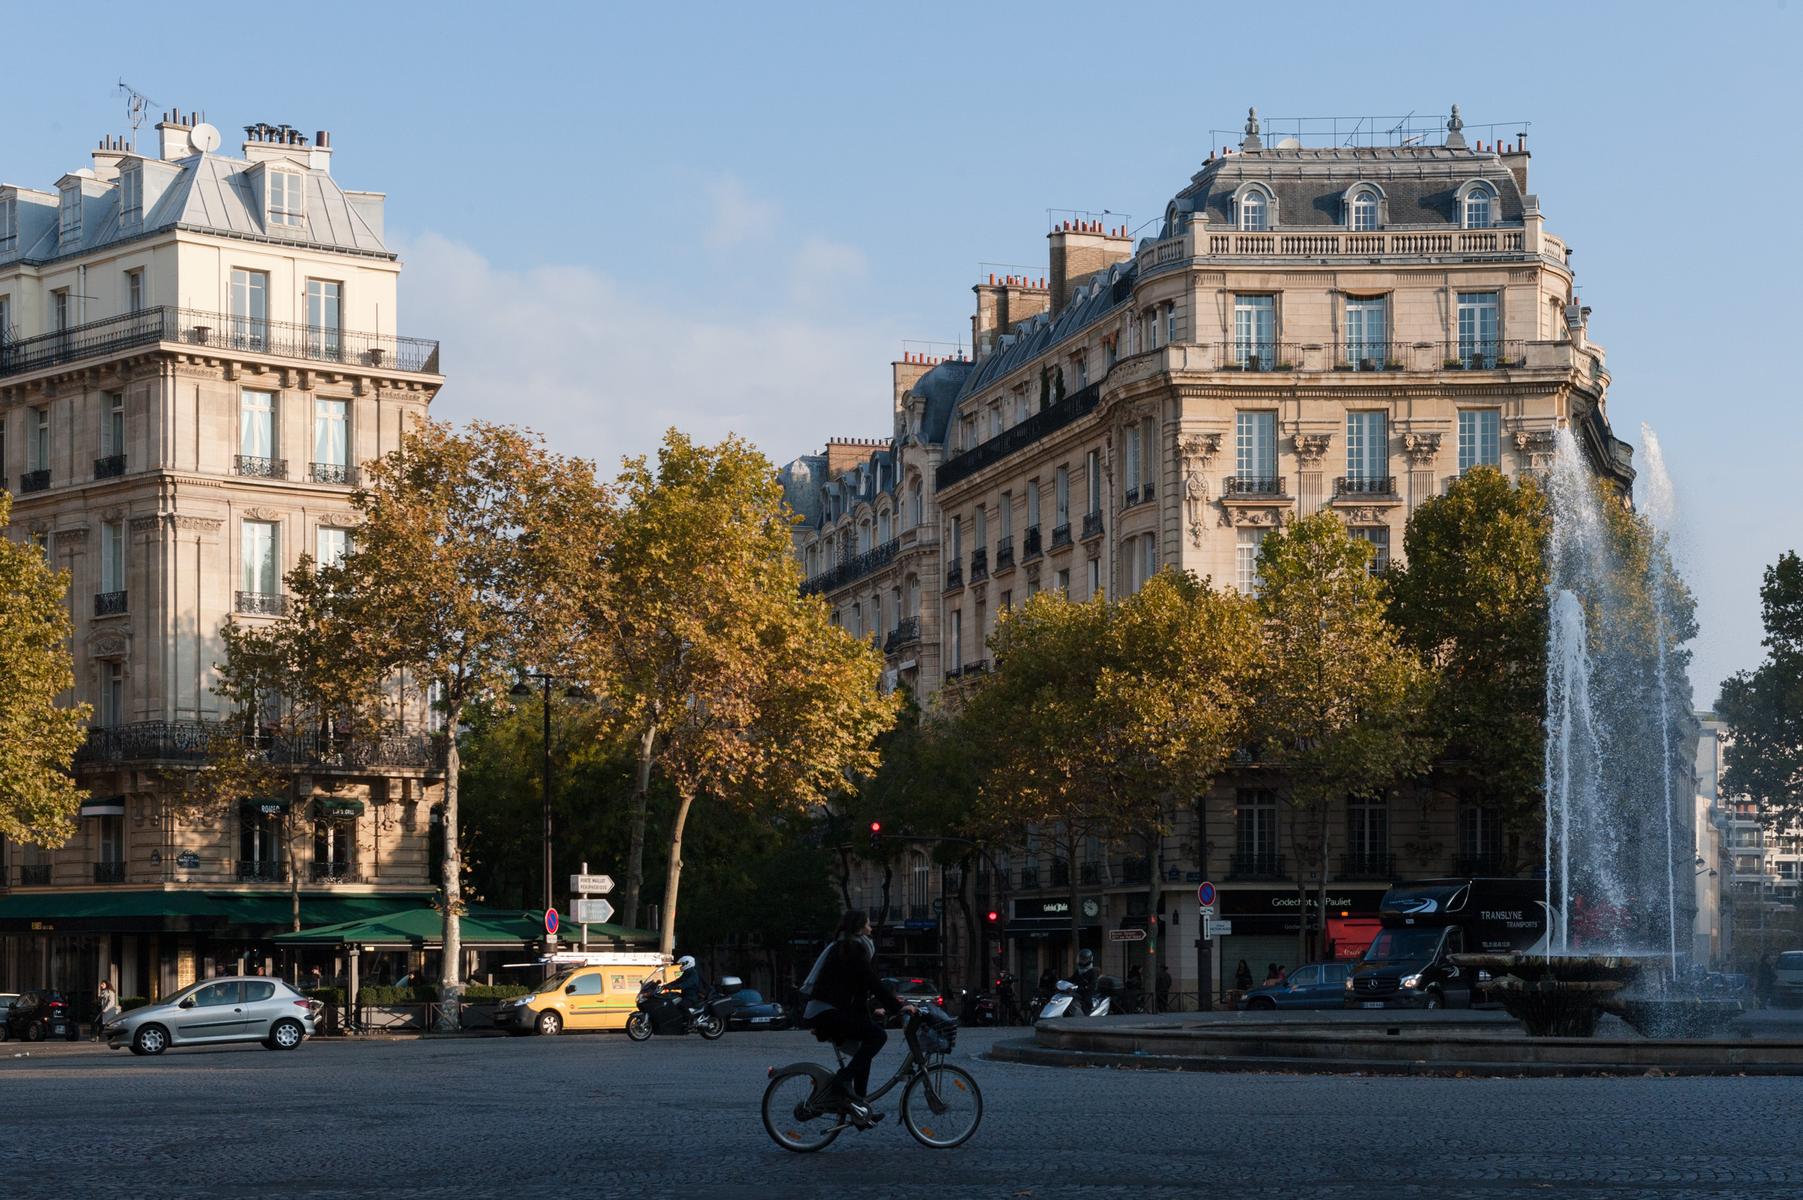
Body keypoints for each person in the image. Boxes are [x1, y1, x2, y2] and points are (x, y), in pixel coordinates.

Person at [803, 911, 916, 1128]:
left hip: (829, 1009)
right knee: (878, 1037)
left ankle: (859, 1108)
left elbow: (856, 989)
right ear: (859, 927)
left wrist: (876, 1009)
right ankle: (842, 1080)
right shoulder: (853, 949)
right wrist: (899, 1007)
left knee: (865, 1049)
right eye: (868, 924)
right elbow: (871, 981)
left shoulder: (847, 947)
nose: (871, 928)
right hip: (826, 1011)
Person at [1069, 948, 1100, 1014]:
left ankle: (1087, 1015)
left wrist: (1084, 987)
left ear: (1090, 959)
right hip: (1078, 991)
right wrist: (1061, 982)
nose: (1082, 961)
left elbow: (1093, 985)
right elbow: (1071, 979)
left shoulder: (1092, 971)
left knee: (1086, 1000)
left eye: (1084, 959)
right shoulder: (1079, 971)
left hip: (1087, 992)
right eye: (1081, 959)